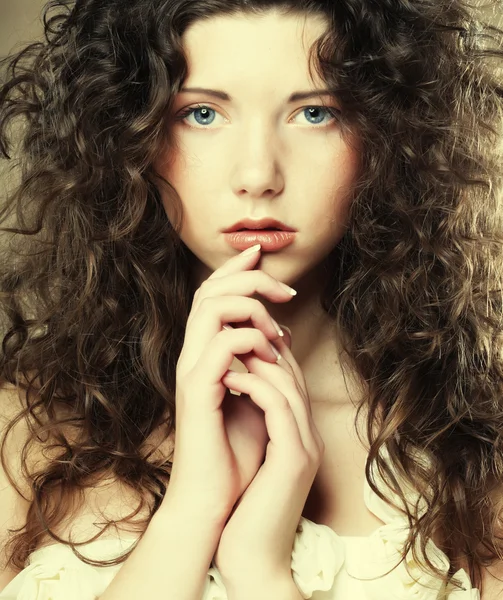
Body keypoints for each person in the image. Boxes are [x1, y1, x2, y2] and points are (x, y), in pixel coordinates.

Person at [0, 0, 502, 598]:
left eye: (315, 112)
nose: (259, 174)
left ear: (390, 136)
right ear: (127, 135)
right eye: (202, 113)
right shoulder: (25, 433)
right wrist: (193, 511)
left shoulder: (476, 444)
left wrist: (258, 568)